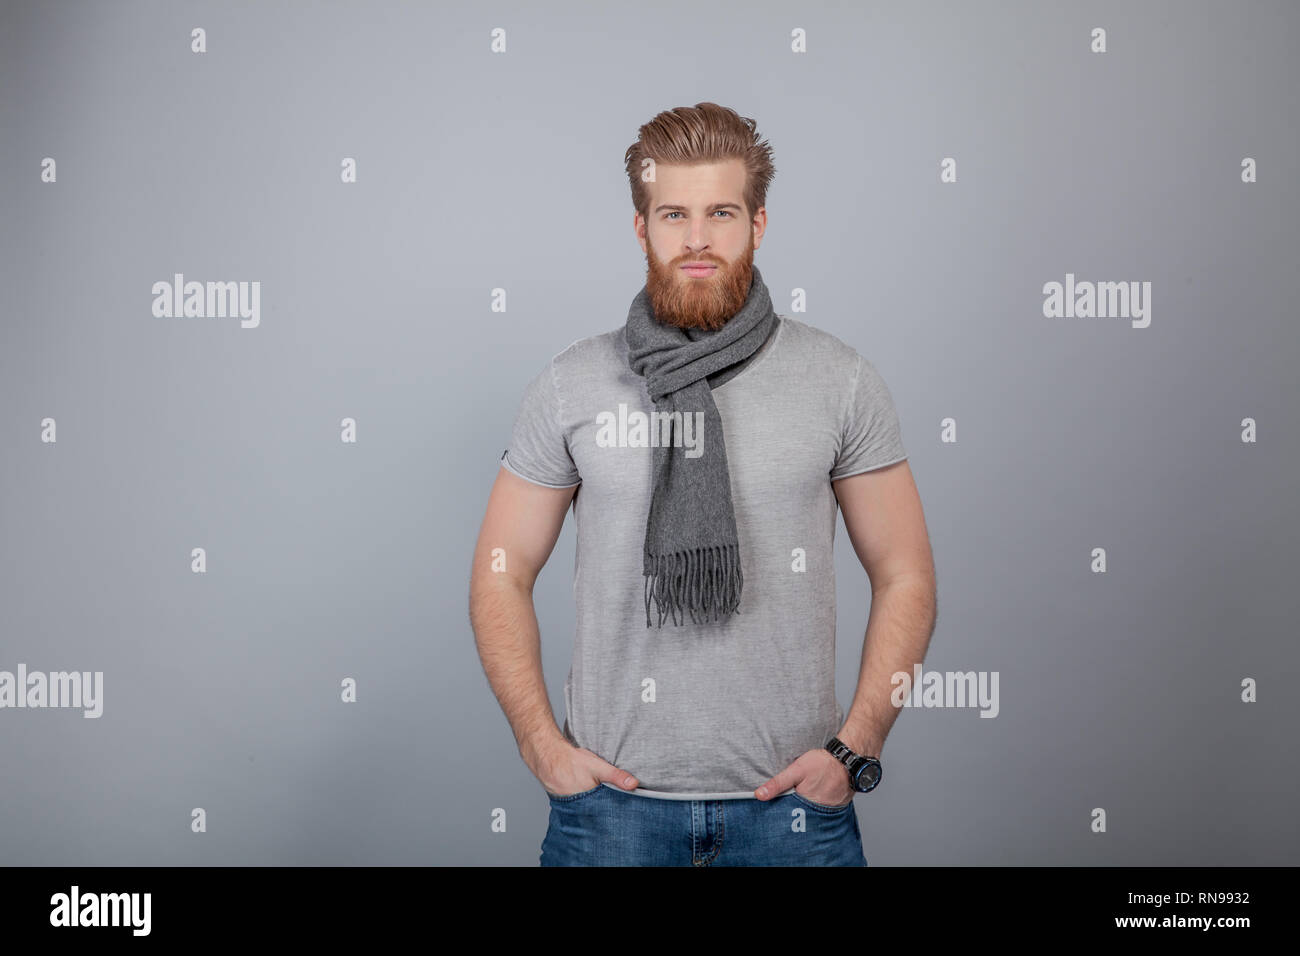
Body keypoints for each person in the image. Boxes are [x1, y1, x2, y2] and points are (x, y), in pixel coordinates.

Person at [468, 102, 937, 866]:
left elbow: (906, 572)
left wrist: (855, 750)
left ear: (758, 223)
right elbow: (500, 572)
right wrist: (540, 745)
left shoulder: (839, 380)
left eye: (721, 212)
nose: (695, 240)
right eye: (672, 214)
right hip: (609, 819)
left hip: (793, 815)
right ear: (640, 228)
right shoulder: (572, 384)